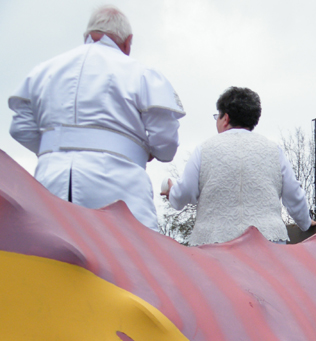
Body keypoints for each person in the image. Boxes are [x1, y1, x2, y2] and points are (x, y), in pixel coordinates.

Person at [8, 5, 184, 231]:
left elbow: (20, 128)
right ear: (128, 42)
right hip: (118, 185)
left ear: (87, 35)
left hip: (51, 180)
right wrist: (147, 150)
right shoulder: (140, 74)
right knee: (127, 257)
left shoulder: (44, 71)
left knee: (53, 257)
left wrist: (60, 146)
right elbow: (166, 143)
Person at [165, 87, 316, 245]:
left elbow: (184, 194)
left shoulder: (203, 149)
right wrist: (305, 222)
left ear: (225, 118)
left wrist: (172, 192)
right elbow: (294, 195)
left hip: (215, 246)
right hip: (268, 245)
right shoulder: (274, 150)